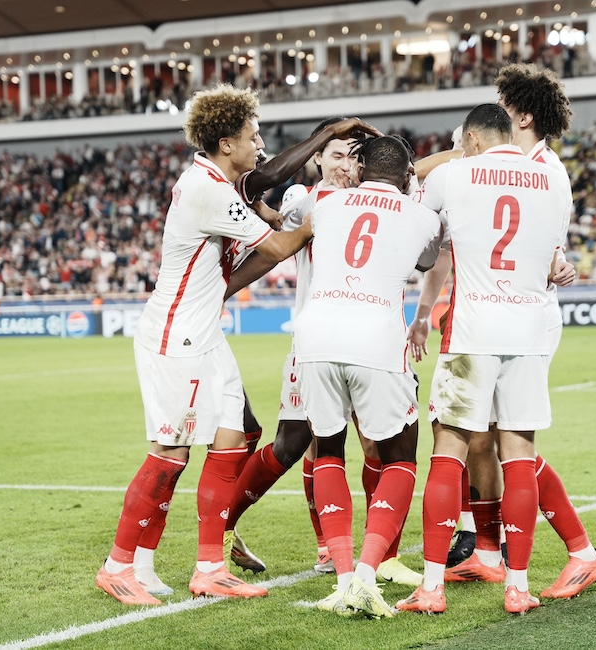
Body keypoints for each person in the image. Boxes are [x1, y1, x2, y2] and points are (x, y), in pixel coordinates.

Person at [95, 83, 379, 607]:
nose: (261, 145)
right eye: (253, 136)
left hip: (203, 330)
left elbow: (266, 191)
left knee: (239, 434)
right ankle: (118, 565)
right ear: (227, 144)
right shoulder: (208, 189)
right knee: (171, 450)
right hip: (176, 334)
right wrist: (329, 214)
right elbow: (277, 246)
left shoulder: (219, 180)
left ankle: (209, 566)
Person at [413, 64, 596, 599]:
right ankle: (486, 550)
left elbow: (421, 177)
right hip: (513, 313)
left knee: (499, 440)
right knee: (486, 439)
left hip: (518, 318)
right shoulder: (543, 171)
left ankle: (580, 550)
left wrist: (559, 261)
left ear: (520, 117)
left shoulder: (530, 165)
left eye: (503, 106)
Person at [221, 118, 422, 586]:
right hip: (317, 342)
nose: (345, 166)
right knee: (297, 444)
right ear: (314, 158)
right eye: (335, 155)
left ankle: (379, 555)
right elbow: (267, 212)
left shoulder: (369, 202)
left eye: (354, 157)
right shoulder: (303, 200)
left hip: (369, 339)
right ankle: (225, 524)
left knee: (374, 443)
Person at [397, 103, 570, 615]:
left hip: (473, 331)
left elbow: (423, 245)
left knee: (449, 449)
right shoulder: (553, 177)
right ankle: (517, 587)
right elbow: (556, 258)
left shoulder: (455, 174)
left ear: (471, 139)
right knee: (518, 456)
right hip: (529, 332)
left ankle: (432, 587)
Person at [293, 135, 443, 618]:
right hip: (375, 336)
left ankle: (340, 579)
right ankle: (364, 574)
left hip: (315, 336)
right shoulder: (421, 213)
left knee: (327, 450)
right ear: (406, 174)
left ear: (359, 168)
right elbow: (425, 260)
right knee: (400, 455)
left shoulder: (327, 201)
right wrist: (414, 190)